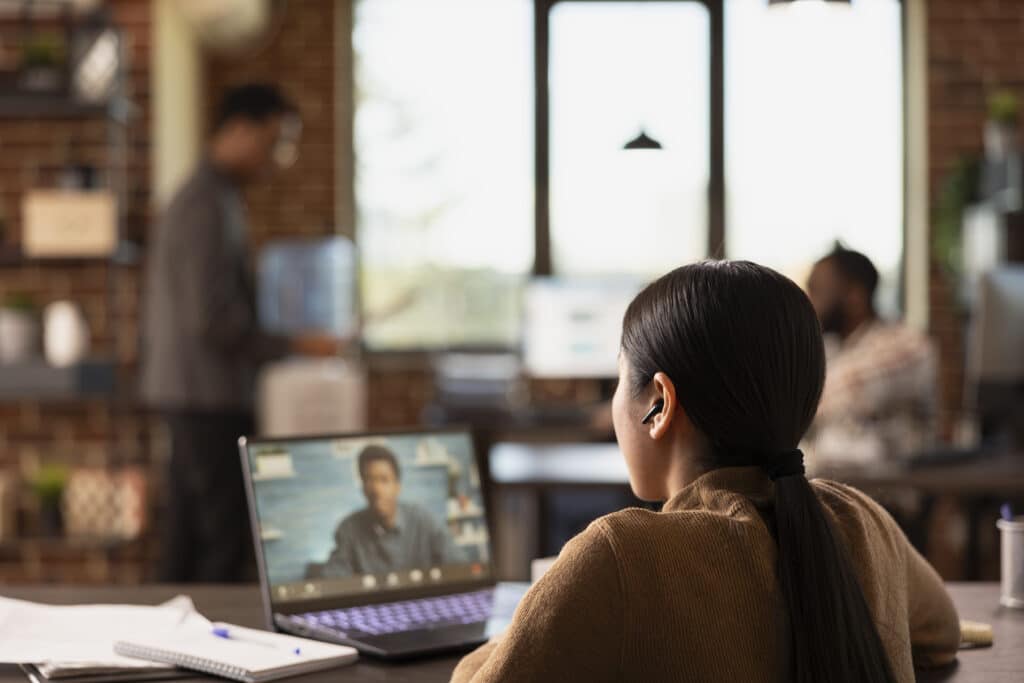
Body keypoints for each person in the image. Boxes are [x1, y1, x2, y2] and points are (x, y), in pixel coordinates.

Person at [452, 261, 959, 683]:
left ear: (660, 403)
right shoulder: (862, 520)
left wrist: (530, 622)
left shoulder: (618, 555)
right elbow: (942, 635)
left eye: (617, 378)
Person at [142, 83, 340, 583]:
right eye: (275, 142)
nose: (280, 159)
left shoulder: (215, 198)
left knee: (190, 546)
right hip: (203, 398)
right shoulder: (204, 204)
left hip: (198, 395)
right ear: (239, 129)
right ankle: (212, 657)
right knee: (220, 545)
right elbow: (210, 319)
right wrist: (295, 344)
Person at [806, 244, 938, 464]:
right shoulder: (831, 346)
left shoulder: (906, 345)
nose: (807, 301)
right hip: (832, 489)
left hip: (886, 494)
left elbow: (820, 396)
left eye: (817, 291)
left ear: (855, 295)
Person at [322, 445, 459, 577]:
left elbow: (459, 566)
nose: (377, 489)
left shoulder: (423, 520)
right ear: (363, 488)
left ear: (397, 486)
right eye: (369, 480)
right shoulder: (348, 529)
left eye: (384, 480)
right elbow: (332, 580)